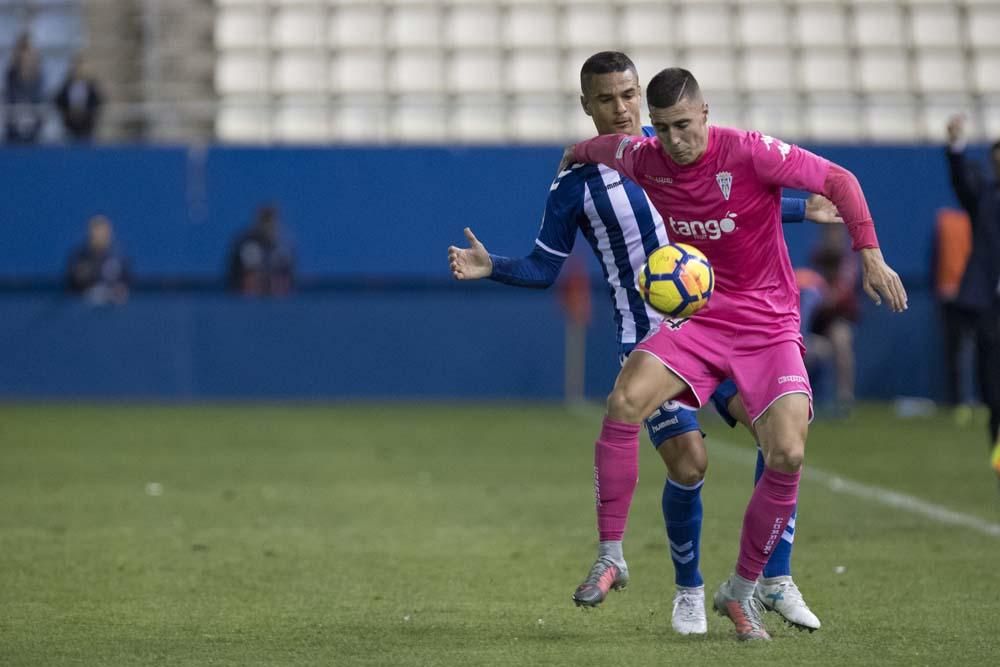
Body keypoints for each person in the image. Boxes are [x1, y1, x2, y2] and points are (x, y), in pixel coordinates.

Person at [449, 52, 840, 635]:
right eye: (605, 99)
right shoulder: (577, 184)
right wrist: (494, 267)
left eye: (629, 95)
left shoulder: (676, 155)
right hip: (652, 337)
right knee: (689, 464)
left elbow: (730, 209)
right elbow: (543, 266)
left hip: (727, 324)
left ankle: (773, 578)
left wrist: (800, 209)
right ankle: (689, 590)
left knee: (780, 435)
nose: (621, 109)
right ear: (587, 106)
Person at [560, 67, 907, 641]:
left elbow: (840, 180)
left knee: (788, 453)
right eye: (663, 129)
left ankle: (744, 587)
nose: (675, 141)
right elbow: (603, 145)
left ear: (705, 114)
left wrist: (869, 255)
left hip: (768, 326)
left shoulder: (750, 152)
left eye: (684, 126)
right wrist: (575, 151)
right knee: (624, 400)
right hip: (700, 319)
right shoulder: (644, 158)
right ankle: (612, 555)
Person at [944, 115, 1000, 474]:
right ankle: (998, 450)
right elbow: (962, 181)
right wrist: (956, 146)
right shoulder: (986, 196)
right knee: (992, 387)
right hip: (989, 305)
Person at [227, 204, 295, 297]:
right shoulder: (249, 244)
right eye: (266, 221)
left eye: (272, 222)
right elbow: (249, 282)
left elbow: (287, 279)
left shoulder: (282, 246)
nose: (270, 226)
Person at [66, 215, 131, 305]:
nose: (99, 234)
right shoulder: (79, 257)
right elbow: (71, 285)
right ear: (89, 232)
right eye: (96, 230)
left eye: (102, 231)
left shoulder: (119, 258)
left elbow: (127, 283)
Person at [4, 33, 45, 144]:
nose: (25, 58)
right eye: (23, 55)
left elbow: (40, 100)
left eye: (28, 55)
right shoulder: (11, 75)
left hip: (34, 128)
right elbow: (10, 98)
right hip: (14, 126)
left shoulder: (39, 77)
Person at [54, 55, 104, 142]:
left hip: (87, 128)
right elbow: (57, 101)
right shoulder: (66, 86)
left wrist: (86, 113)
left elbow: (98, 102)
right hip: (69, 128)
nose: (78, 70)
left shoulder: (91, 86)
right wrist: (68, 113)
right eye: (76, 67)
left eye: (80, 67)